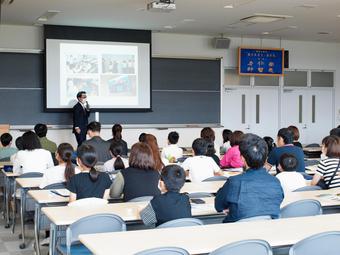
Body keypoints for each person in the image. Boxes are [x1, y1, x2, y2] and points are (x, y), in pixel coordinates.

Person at [215, 133, 284, 222]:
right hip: (268, 232)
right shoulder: (275, 182)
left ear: (242, 158)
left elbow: (218, 206)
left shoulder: (234, 182)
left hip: (236, 233)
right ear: (265, 158)